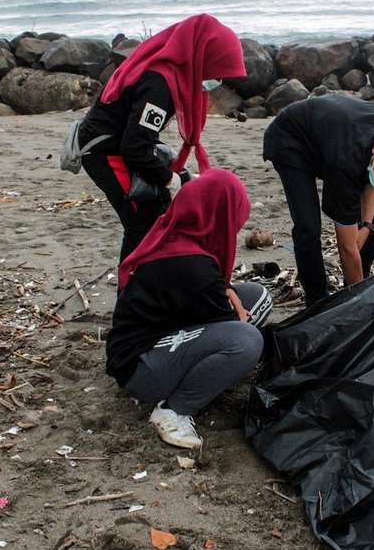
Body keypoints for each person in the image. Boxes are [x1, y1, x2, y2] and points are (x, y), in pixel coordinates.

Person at [105, 169, 271, 449]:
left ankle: (203, 373)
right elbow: (222, 314)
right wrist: (235, 314)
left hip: (166, 329)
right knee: (247, 340)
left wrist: (228, 291)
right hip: (141, 366)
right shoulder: (189, 264)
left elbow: (212, 292)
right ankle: (174, 409)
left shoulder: (178, 232)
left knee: (257, 296)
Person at [78, 14, 246, 262]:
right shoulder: (159, 83)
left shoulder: (174, 70)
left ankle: (138, 290)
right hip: (105, 151)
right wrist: (169, 180)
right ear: (202, 57)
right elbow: (134, 147)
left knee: (148, 217)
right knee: (143, 226)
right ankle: (135, 295)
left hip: (125, 142)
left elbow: (141, 135)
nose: (217, 81)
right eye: (215, 71)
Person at [262, 94, 374, 306]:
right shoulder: (346, 162)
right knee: (308, 226)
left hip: (332, 134)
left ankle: (360, 281)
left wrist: (366, 226)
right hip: (292, 137)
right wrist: (358, 306)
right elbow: (347, 249)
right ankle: (317, 300)